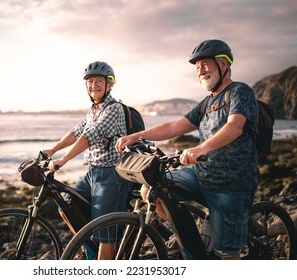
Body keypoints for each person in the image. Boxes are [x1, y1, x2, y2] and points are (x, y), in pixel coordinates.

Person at [115, 39, 258, 260]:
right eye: (197, 67)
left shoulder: (240, 91)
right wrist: (137, 135)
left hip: (231, 185)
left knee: (227, 256)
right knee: (151, 190)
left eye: (204, 65)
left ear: (222, 64)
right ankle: (186, 236)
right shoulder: (206, 103)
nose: (200, 71)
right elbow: (174, 126)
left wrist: (201, 149)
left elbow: (235, 126)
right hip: (201, 175)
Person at [42, 61, 134, 259]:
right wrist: (53, 150)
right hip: (93, 173)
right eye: (90, 82)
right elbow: (77, 132)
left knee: (105, 232)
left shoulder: (113, 109)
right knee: (67, 206)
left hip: (111, 174)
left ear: (110, 84)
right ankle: (91, 251)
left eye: (99, 81)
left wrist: (64, 159)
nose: (94, 85)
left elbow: (90, 135)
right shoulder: (94, 110)